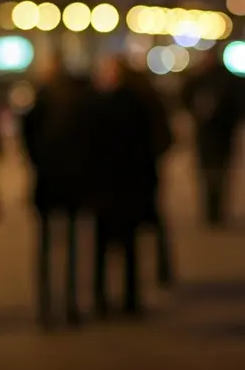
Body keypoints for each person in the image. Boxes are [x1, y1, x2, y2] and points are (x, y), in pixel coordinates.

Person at [21, 53, 90, 327]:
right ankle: (69, 302)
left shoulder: (39, 105)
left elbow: (28, 142)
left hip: (47, 182)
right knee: (71, 246)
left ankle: (46, 304)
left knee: (46, 246)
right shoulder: (77, 106)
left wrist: (38, 163)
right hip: (71, 182)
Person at [86, 55, 157, 317]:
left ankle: (107, 298)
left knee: (109, 246)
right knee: (124, 245)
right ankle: (125, 298)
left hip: (114, 184)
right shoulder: (137, 103)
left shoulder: (104, 104)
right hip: (125, 184)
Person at [120, 60, 176, 287]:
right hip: (145, 170)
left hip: (131, 173)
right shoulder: (150, 100)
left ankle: (137, 281)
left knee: (133, 225)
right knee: (153, 220)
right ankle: (162, 270)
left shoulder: (130, 103)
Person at [180, 49, 243, 227]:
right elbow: (185, 98)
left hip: (222, 134)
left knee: (220, 173)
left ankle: (217, 209)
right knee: (206, 173)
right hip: (205, 134)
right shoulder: (198, 79)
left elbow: (236, 104)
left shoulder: (225, 79)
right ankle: (209, 210)